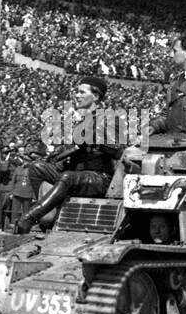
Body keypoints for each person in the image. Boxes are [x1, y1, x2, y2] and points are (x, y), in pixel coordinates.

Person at [17, 76, 122, 233]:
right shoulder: (81, 120)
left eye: (81, 92)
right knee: (37, 168)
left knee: (67, 177)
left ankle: (30, 218)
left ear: (95, 96)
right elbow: (72, 150)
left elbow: (118, 150)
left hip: (99, 178)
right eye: (76, 92)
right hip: (75, 174)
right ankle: (49, 216)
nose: (76, 95)